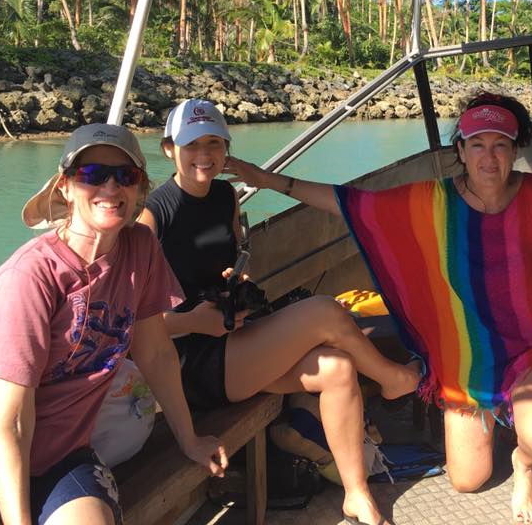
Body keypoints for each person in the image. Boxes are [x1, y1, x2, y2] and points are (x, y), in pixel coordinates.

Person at [225, 93, 532, 524]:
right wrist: (269, 181)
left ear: (516, 150)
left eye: (500, 145)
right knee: (468, 480)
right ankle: (495, 411)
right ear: (461, 150)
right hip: (466, 358)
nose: (489, 158)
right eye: (478, 145)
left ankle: (524, 462)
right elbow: (352, 205)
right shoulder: (434, 203)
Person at [0, 123, 227, 525]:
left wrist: (189, 439)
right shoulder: (29, 277)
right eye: (92, 174)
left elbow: (156, 352)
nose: (110, 187)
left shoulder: (140, 248)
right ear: (65, 187)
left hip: (59, 455)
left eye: (125, 175)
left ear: (139, 187)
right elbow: (11, 422)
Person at [138, 99, 420, 525]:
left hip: (235, 337)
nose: (204, 154)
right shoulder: (154, 216)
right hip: (190, 361)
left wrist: (236, 280)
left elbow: (226, 261)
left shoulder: (225, 196)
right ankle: (394, 379)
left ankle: (357, 494)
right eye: (192, 144)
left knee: (338, 368)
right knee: (324, 310)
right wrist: (194, 321)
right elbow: (133, 322)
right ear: (168, 149)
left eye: (214, 143)